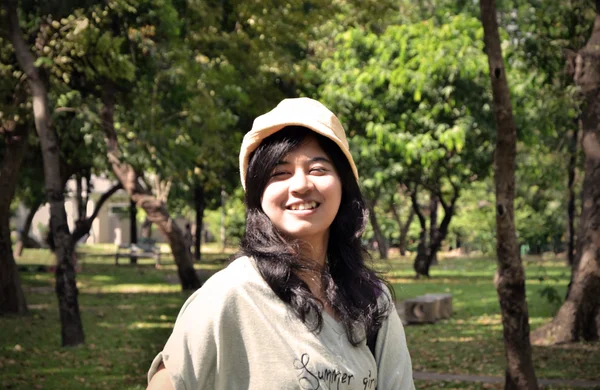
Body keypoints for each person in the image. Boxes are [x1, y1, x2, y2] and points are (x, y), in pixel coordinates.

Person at [147, 98, 414, 389]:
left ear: (343, 184)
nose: (300, 185)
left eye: (318, 169)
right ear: (258, 192)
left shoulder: (373, 302)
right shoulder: (230, 296)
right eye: (280, 173)